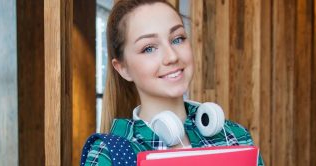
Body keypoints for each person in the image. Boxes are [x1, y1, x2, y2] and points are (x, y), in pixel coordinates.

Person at [81, 0, 264, 165]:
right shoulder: (108, 155)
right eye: (149, 48)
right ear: (123, 69)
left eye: (178, 39)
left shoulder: (235, 136)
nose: (172, 56)